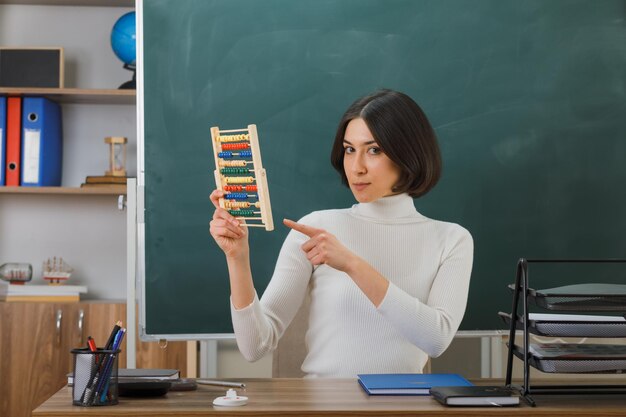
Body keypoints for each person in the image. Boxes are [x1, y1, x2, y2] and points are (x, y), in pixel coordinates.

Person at [209, 89, 473, 378]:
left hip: (403, 405)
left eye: (374, 150)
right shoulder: (315, 228)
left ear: (407, 154)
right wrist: (237, 257)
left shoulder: (451, 240)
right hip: (325, 405)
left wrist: (352, 264)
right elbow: (255, 346)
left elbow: (435, 340)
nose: (356, 167)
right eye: (349, 149)